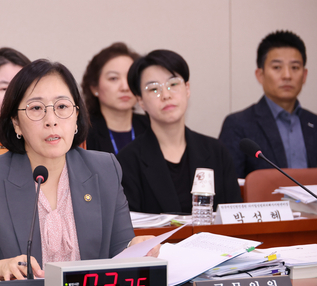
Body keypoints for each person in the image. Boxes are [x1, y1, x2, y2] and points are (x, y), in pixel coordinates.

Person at [0, 59, 159, 282]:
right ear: (16, 123)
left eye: (61, 107)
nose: (51, 121)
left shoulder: (104, 169)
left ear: (77, 116)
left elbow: (119, 251)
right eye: (36, 108)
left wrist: (134, 248)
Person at [117, 50, 242, 214]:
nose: (166, 95)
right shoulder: (127, 161)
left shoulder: (216, 151)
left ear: (187, 89)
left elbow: (234, 218)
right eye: (154, 89)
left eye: (173, 84)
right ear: (140, 101)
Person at [219, 30, 316, 178]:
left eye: (295, 67)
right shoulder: (238, 125)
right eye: (277, 67)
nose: (287, 76)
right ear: (260, 75)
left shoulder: (314, 123)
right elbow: (230, 187)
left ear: (304, 75)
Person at [81, 42, 149, 154]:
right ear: (94, 87)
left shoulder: (152, 127)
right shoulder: (83, 132)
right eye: (113, 78)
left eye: (130, 78)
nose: (125, 87)